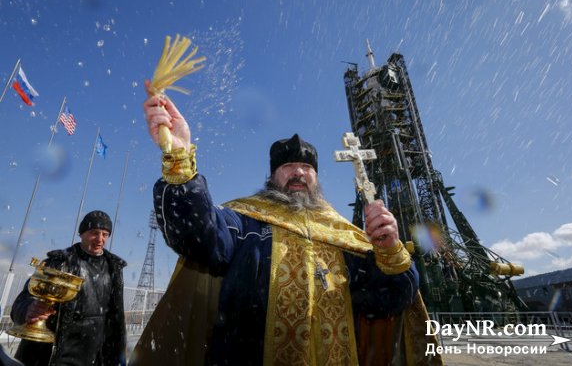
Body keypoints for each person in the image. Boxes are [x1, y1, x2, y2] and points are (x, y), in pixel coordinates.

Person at [133, 89, 442, 365]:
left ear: (317, 178)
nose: (298, 172)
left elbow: (389, 300)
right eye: (287, 166)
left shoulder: (344, 234)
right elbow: (198, 235)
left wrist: (389, 250)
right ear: (272, 178)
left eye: (307, 166)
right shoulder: (245, 220)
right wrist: (179, 158)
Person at [10, 210, 127, 366]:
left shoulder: (114, 269)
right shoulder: (59, 262)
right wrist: (28, 310)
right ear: (82, 233)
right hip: (49, 355)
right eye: (94, 233)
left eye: (105, 234)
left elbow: (115, 318)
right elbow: (23, 299)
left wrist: (117, 352)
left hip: (91, 357)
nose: (100, 239)